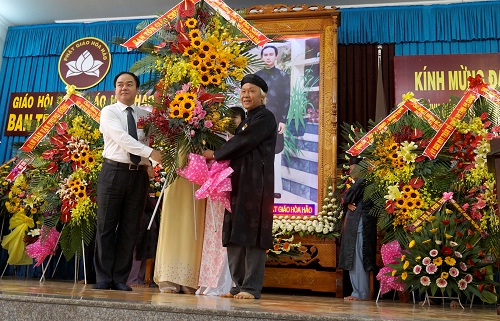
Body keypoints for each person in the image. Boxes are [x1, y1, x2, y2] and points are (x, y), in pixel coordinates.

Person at [203, 74, 277, 299]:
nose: (246, 95)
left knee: (253, 234)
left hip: (256, 185)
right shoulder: (246, 119)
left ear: (262, 96)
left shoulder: (265, 117)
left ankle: (251, 288)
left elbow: (243, 141)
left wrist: (215, 154)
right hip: (237, 183)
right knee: (235, 232)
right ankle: (237, 286)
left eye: (251, 91)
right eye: (243, 91)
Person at [93, 71, 163, 291]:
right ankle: (104, 278)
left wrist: (149, 162)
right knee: (106, 227)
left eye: (129, 84)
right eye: (120, 84)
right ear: (115, 89)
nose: (124, 88)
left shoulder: (144, 115)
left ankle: (120, 279)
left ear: (136, 89)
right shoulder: (109, 112)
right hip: (113, 172)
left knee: (130, 228)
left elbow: (149, 140)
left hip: (138, 176)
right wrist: (151, 152)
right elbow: (123, 139)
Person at [196, 106, 245, 296]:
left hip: (233, 192)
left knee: (226, 236)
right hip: (214, 194)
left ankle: (225, 281)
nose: (231, 121)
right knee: (212, 236)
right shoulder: (216, 140)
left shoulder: (243, 141)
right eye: (228, 118)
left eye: (235, 118)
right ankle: (209, 280)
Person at [338, 157, 377, 301]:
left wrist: (346, 202)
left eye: (353, 168)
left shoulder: (363, 180)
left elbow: (346, 197)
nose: (350, 171)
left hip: (361, 224)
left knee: (359, 258)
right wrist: (347, 204)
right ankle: (358, 292)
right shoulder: (362, 180)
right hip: (359, 223)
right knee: (355, 258)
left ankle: (361, 293)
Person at [255, 45, 290, 199]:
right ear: (262, 57)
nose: (268, 57)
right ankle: (260, 187)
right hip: (259, 120)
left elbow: (286, 98)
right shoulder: (257, 76)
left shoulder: (283, 75)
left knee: (276, 153)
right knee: (258, 153)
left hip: (276, 120)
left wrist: (283, 120)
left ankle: (275, 188)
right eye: (266, 55)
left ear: (276, 56)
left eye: (271, 54)